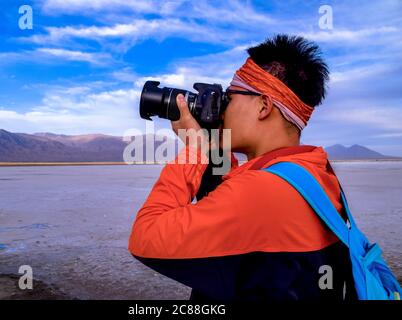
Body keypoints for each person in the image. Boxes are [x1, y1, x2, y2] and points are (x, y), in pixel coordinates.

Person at [128, 34, 356, 301]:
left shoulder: (261, 189)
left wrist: (195, 149)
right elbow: (228, 200)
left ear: (263, 106)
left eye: (231, 96)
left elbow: (146, 237)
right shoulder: (313, 173)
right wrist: (214, 146)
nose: (224, 108)